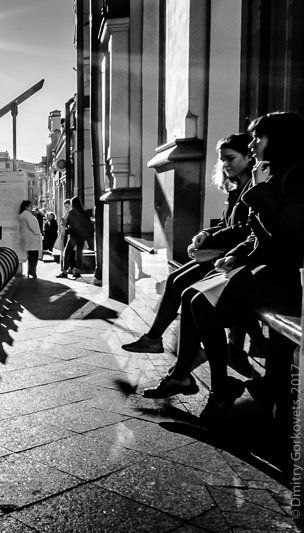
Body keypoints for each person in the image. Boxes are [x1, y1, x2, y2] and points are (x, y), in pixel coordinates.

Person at [141, 112, 304, 421]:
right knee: (191, 296)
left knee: (196, 299)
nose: (254, 144)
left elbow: (287, 238)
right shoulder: (274, 174)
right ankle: (209, 382)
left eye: (259, 138)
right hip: (260, 270)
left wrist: (258, 194)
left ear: (279, 141)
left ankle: (216, 384)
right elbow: (257, 234)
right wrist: (234, 255)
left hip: (281, 278)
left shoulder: (294, 177)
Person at [123, 133, 255, 354]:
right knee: (175, 279)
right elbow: (225, 223)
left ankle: (170, 346)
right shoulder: (236, 188)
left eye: (230, 158)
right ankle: (155, 339)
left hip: (235, 260)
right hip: (224, 254)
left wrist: (211, 239)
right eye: (222, 159)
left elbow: (246, 229)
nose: (224, 164)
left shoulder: (253, 189)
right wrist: (204, 233)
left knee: (186, 291)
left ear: (249, 157)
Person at [57, 196, 93, 279]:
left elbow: (69, 224)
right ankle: (77, 271)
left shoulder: (72, 212)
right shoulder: (84, 212)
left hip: (73, 236)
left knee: (67, 252)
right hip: (82, 236)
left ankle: (65, 271)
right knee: (79, 253)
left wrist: (66, 227)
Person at [18, 200, 42, 278]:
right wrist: (37, 233)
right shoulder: (27, 215)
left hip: (28, 238)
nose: (32, 208)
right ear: (26, 207)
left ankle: (30, 271)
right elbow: (33, 226)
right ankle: (32, 272)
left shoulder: (22, 215)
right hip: (32, 238)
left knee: (31, 256)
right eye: (30, 206)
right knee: (34, 257)